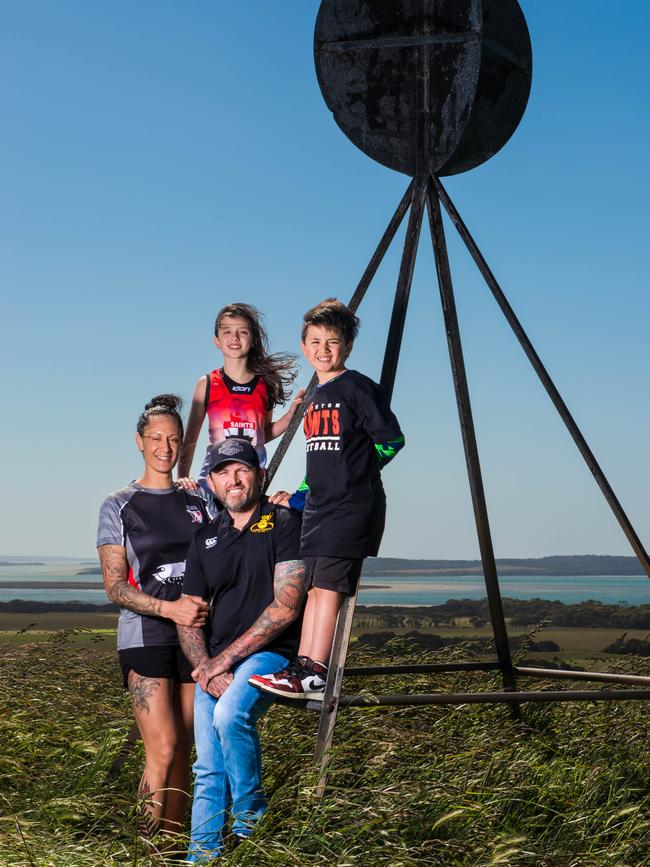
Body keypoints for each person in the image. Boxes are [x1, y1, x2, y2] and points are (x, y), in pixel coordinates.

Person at [249, 298, 404, 700]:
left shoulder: (358, 387)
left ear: (348, 346)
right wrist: (298, 496)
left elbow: (391, 441)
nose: (323, 348)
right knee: (314, 587)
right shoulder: (318, 394)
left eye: (332, 341)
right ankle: (302, 667)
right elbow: (320, 461)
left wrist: (354, 476)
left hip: (349, 509)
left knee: (331, 586)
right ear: (304, 347)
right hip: (318, 510)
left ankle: (316, 670)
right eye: (315, 341)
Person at [177, 438, 305, 861]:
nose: (233, 479)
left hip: (270, 654)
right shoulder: (204, 538)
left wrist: (223, 662)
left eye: (242, 469)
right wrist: (205, 667)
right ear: (212, 482)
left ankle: (251, 830)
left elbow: (286, 608)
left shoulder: (285, 522)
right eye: (223, 472)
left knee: (231, 715)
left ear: (260, 474)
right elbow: (189, 615)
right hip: (212, 662)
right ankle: (203, 856)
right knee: (208, 767)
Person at [97, 395, 214, 845]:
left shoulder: (200, 499)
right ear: (139, 442)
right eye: (155, 439)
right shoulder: (119, 504)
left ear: (182, 444)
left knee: (186, 749)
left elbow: (234, 536)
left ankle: (170, 848)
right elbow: (114, 586)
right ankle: (145, 849)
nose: (164, 447)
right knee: (161, 749)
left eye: (173, 439)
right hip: (145, 636)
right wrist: (169, 608)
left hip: (197, 637)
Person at [176, 302, 304, 487]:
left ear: (252, 339)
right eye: (226, 331)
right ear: (216, 341)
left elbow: (261, 435)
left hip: (249, 481)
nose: (234, 337)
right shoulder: (207, 384)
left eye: (242, 331)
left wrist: (289, 417)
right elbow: (190, 440)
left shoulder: (265, 384)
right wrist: (182, 478)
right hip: (215, 482)